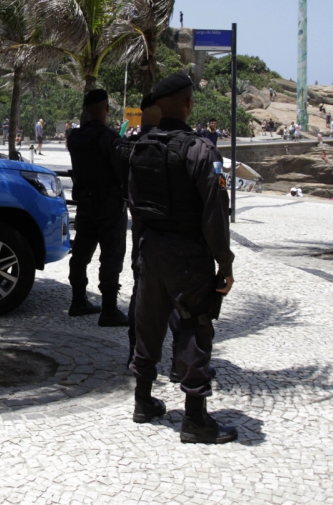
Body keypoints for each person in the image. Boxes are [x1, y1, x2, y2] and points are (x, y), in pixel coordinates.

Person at [127, 74, 238, 444]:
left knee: (149, 323)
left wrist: (137, 254)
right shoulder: (201, 151)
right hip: (188, 254)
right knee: (194, 324)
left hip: (150, 249)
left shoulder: (140, 148)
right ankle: (195, 420)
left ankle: (143, 401)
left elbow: (136, 209)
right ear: (189, 103)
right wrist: (224, 262)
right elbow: (214, 213)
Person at [114, 93, 183, 379]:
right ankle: (181, 363)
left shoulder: (127, 146)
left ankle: (136, 356)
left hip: (143, 233)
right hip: (174, 235)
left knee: (142, 297)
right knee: (181, 301)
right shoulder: (173, 144)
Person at [66, 89, 129, 326]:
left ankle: (78, 301)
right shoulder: (109, 138)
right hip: (108, 204)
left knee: (81, 253)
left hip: (85, 202)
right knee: (111, 255)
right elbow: (119, 171)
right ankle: (109, 309)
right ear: (105, 109)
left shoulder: (75, 137)